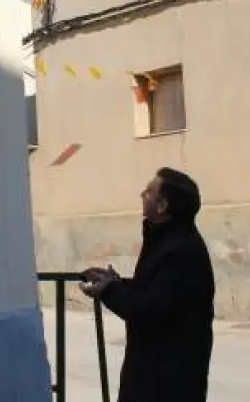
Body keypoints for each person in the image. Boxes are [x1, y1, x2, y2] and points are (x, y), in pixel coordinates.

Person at [79, 167, 214, 402]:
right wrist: (116, 283)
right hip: (155, 372)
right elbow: (153, 289)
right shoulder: (164, 240)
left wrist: (109, 290)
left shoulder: (180, 250)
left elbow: (149, 309)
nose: (142, 195)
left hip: (168, 381)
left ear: (162, 206)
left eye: (149, 192)